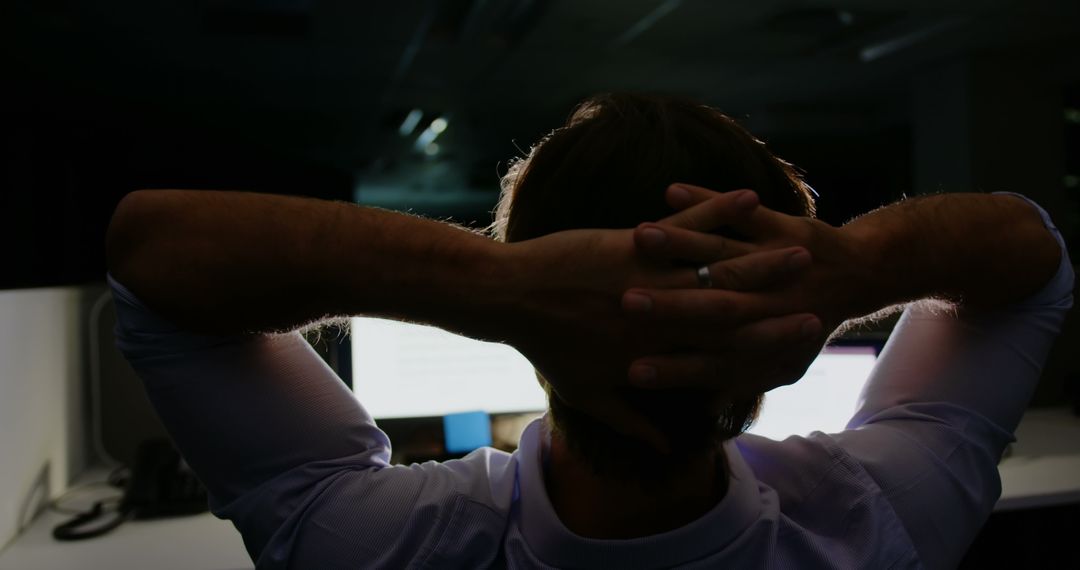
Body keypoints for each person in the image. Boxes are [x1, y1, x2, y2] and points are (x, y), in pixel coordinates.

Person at [106, 93, 1072, 569]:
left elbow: (152, 263)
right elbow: (1031, 263)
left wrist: (493, 285)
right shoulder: (887, 517)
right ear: (789, 325)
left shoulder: (376, 547)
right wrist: (853, 267)